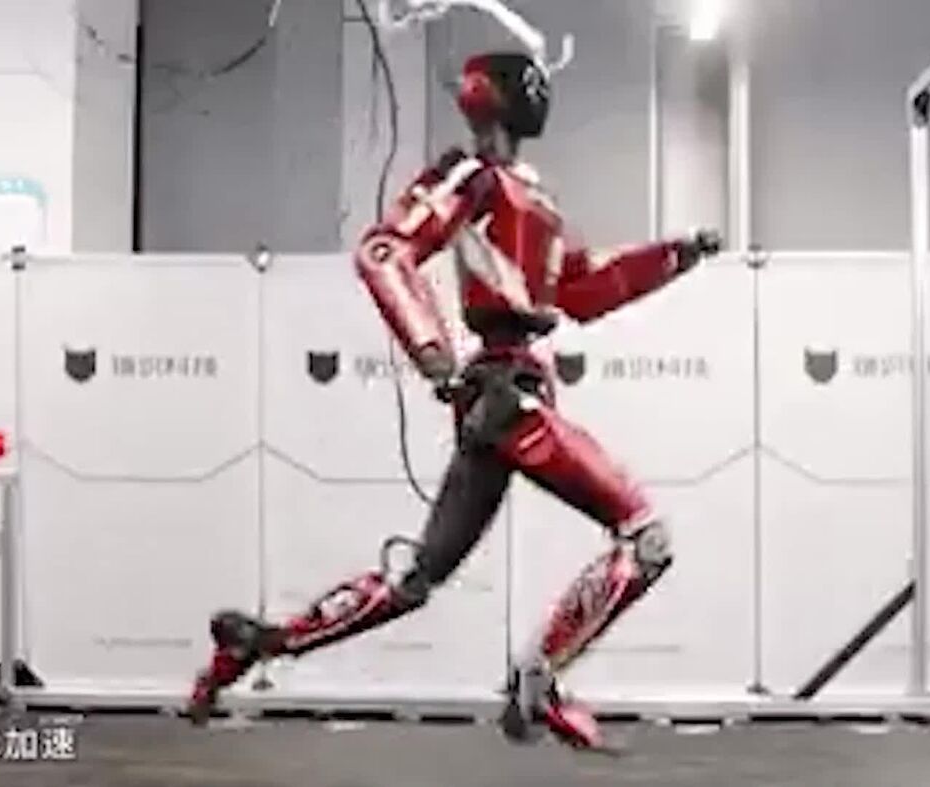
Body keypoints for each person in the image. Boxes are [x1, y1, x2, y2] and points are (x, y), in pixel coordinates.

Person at [186, 49, 723, 751]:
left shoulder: (529, 196)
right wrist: (434, 355)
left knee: (416, 579)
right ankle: (539, 679)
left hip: (504, 394)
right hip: (505, 395)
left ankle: (260, 644)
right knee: (645, 537)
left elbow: (582, 288)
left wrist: (675, 254)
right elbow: (386, 250)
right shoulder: (471, 176)